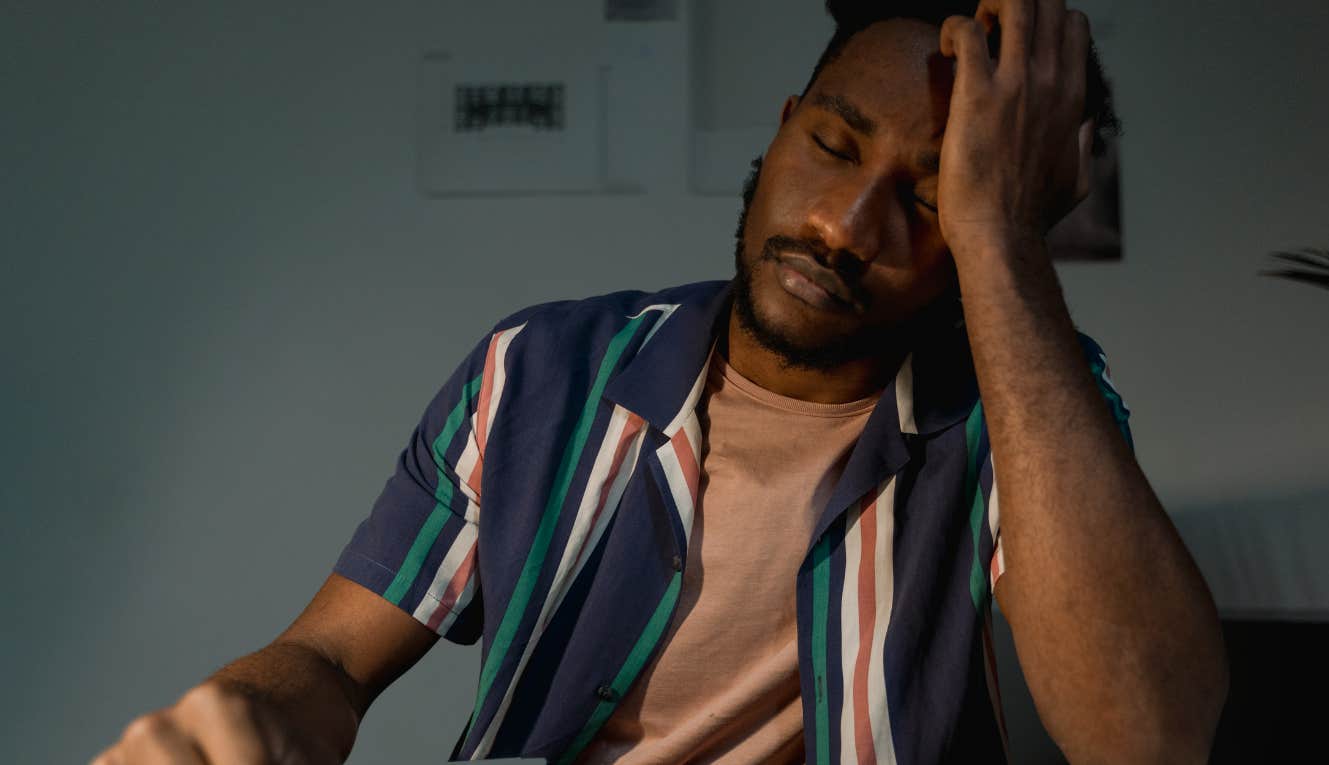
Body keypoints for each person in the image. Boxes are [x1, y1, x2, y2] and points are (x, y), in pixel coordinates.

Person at [93, 1, 1228, 763]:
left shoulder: (1021, 416)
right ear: (782, 134)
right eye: (830, 148)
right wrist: (247, 717)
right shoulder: (537, 370)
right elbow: (332, 659)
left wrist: (1003, 246)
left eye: (930, 199)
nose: (841, 226)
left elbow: (1152, 738)